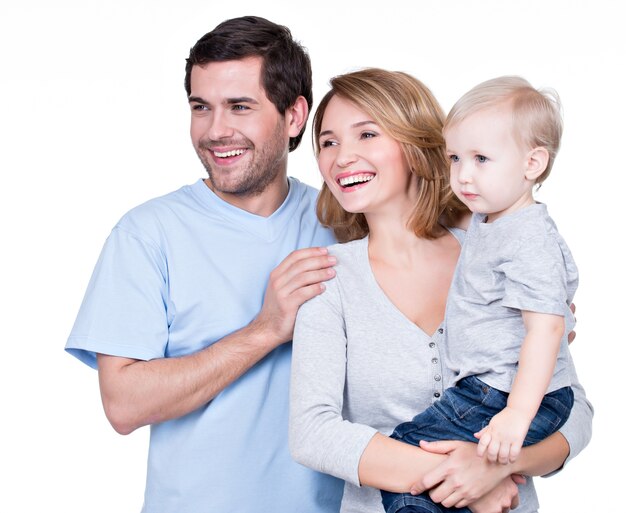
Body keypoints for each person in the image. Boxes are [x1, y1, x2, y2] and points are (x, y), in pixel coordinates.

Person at [65, 16, 344, 513]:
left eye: (240, 107)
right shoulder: (147, 234)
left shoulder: (343, 221)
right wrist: (265, 329)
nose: (216, 131)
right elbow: (123, 404)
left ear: (295, 115)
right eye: (201, 108)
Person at [289, 68, 592, 513]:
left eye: (367, 134)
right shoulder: (329, 280)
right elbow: (312, 433)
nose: (341, 157)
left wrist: (496, 468)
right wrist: (465, 482)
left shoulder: (498, 251)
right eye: (328, 142)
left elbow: (575, 412)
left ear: (414, 144)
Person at [380, 77, 578, 513]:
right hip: (488, 390)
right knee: (419, 462)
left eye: (482, 159)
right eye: (455, 158)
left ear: (533, 164)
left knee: (407, 455)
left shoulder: (528, 238)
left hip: (504, 395)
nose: (462, 175)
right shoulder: (491, 224)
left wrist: (517, 414)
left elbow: (547, 329)